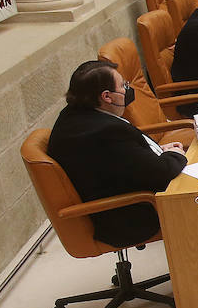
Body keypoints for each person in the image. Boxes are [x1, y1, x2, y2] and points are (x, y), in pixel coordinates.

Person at [47, 60, 188, 247]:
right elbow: (162, 173)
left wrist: (157, 151)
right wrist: (177, 154)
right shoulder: (106, 132)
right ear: (107, 96)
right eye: (123, 86)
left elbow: (121, 160)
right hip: (128, 215)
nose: (127, 89)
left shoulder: (74, 115)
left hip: (118, 194)